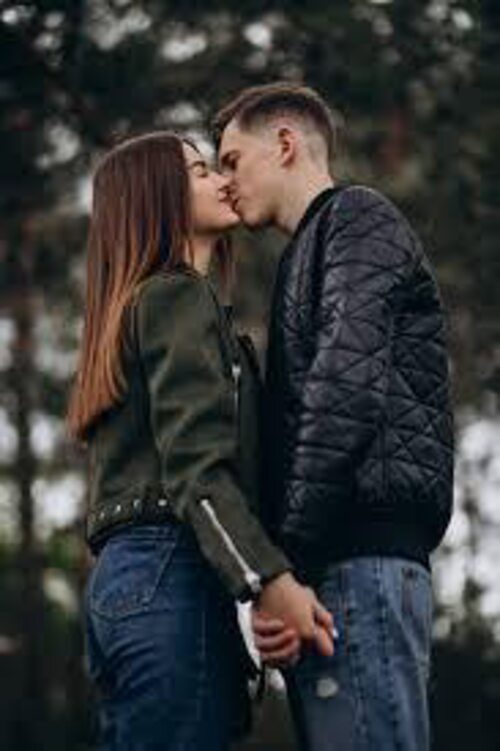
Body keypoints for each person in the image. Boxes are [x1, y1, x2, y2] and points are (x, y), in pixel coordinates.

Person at [66, 131, 334, 751]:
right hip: (169, 570)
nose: (221, 179)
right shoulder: (176, 295)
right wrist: (268, 580)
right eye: (198, 171)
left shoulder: (141, 306)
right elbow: (197, 470)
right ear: (156, 197)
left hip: (128, 581)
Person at [214, 82, 454, 751]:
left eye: (232, 160)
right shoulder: (312, 247)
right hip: (340, 561)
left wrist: (286, 567)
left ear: (285, 143)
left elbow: (344, 391)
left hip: (360, 558)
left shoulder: (356, 218)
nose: (226, 181)